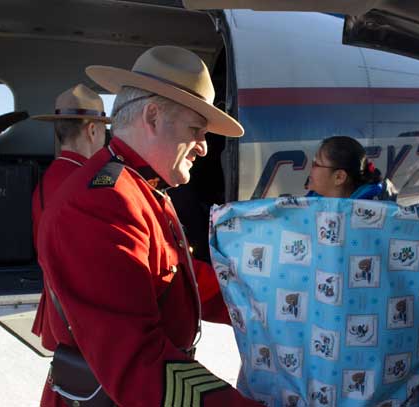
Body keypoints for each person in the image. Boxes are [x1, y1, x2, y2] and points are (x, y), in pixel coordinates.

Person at [37, 46, 261, 406]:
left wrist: (265, 300)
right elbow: (137, 360)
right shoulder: (102, 202)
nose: (203, 148)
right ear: (153, 117)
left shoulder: (136, 187)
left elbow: (172, 279)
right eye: (196, 130)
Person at [30, 84, 109, 345]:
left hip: (57, 312)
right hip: (82, 320)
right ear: (92, 130)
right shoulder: (89, 184)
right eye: (103, 129)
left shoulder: (45, 181)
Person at [306, 135, 397, 200]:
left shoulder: (372, 217)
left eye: (316, 164)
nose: (311, 169)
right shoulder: (314, 200)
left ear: (339, 177)